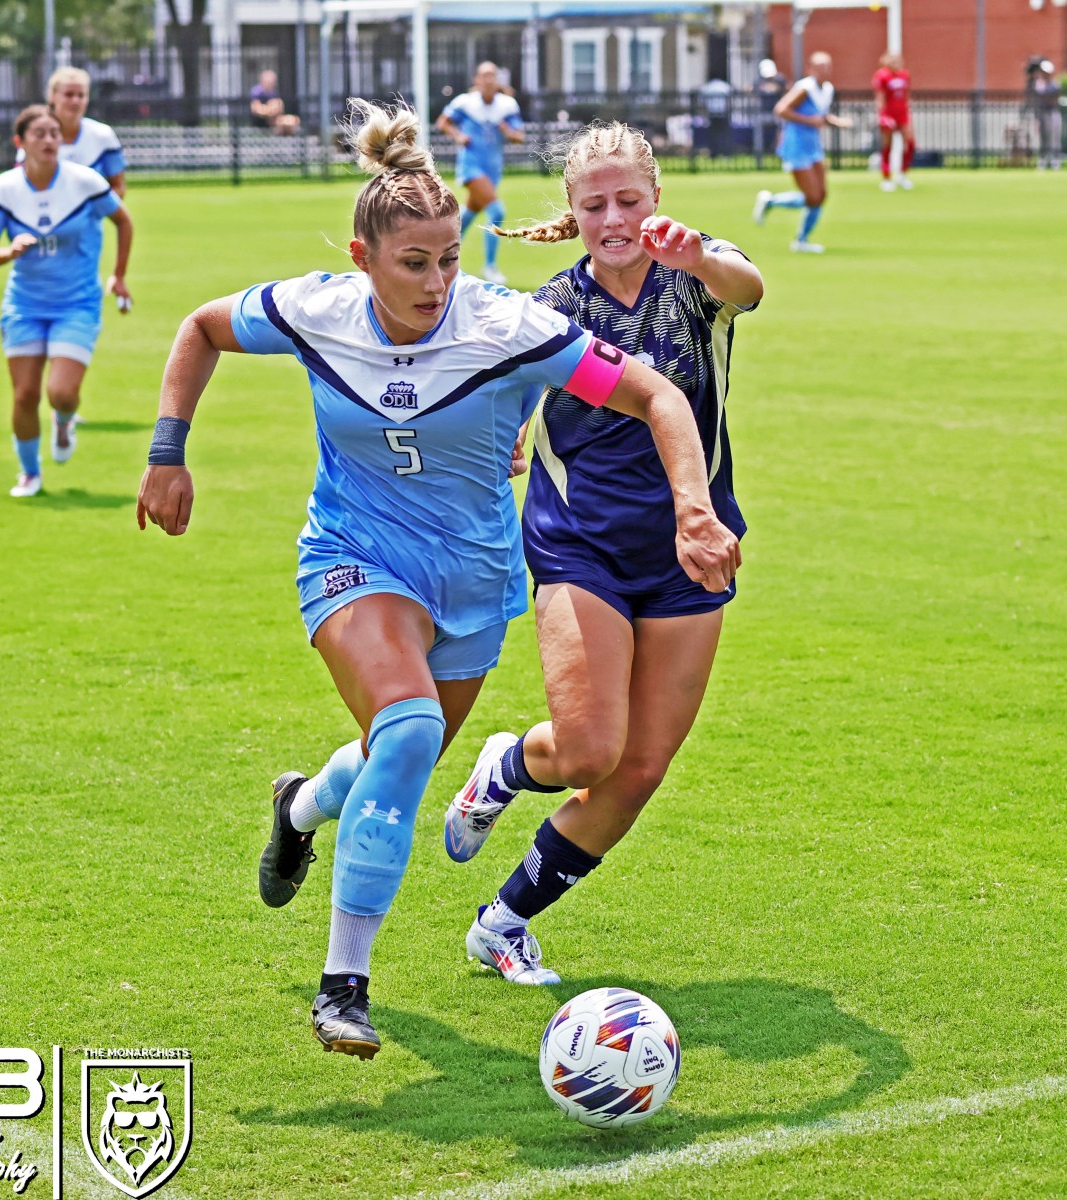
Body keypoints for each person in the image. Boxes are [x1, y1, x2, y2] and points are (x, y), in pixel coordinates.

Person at [136, 101, 740, 1060]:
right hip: (353, 556)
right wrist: (169, 451)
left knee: (396, 759)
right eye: (413, 263)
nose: (436, 281)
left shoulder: (503, 324)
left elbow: (657, 392)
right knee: (412, 730)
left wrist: (694, 509)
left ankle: (300, 809)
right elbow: (201, 329)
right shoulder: (316, 308)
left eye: (450, 258)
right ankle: (345, 985)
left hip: (471, 577)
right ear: (363, 255)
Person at [442, 121, 761, 986]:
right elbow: (504, 398)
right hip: (579, 545)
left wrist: (696, 254)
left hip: (693, 549)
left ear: (655, 198)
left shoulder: (695, 276)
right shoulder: (546, 310)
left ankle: (502, 923)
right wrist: (504, 439)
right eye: (595, 205)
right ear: (573, 212)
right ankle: (508, 766)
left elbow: (752, 285)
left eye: (630, 199)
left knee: (640, 769)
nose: (615, 217)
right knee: (588, 751)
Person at [0, 105, 133, 498]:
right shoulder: (4, 188)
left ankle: (64, 420)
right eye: (40, 134)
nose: (49, 140)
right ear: (20, 142)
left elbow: (123, 221)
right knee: (25, 395)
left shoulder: (84, 182)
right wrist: (9, 252)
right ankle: (30, 473)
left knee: (61, 393)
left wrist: (119, 274)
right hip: (24, 306)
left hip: (76, 304)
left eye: (54, 134)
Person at [752, 51, 852, 254]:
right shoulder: (804, 88)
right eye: (820, 67)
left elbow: (820, 115)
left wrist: (836, 122)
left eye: (828, 66)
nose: (825, 70)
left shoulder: (827, 89)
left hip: (813, 145)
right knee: (812, 196)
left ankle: (777, 208)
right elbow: (781, 109)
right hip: (796, 145)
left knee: (821, 195)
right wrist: (809, 121)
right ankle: (799, 238)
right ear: (811, 69)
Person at [435, 61, 525, 284]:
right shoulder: (466, 103)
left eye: (492, 75)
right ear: (477, 80)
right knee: (496, 212)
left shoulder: (507, 105)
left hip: (492, 168)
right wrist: (458, 137)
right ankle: (490, 267)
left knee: (468, 215)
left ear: (497, 80)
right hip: (471, 166)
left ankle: (443, 257)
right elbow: (443, 122)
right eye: (484, 75)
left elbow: (519, 136)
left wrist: (507, 131)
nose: (488, 79)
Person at [37, 67, 128, 197]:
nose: (75, 101)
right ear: (52, 96)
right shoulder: (34, 136)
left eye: (81, 95)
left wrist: (89, 210)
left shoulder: (103, 135)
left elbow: (118, 186)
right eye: (68, 94)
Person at [872, 52, 915, 191]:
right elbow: (880, 97)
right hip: (889, 114)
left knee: (910, 144)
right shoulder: (882, 76)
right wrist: (882, 116)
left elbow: (906, 96)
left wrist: (908, 113)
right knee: (887, 146)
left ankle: (902, 175)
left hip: (902, 114)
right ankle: (886, 178)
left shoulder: (905, 75)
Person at [1026, 58, 1062, 171]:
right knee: (1043, 138)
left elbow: (1053, 97)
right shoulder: (1038, 84)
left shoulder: (1054, 84)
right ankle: (1043, 160)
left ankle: (1055, 160)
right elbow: (1033, 95)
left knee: (1055, 137)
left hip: (1052, 112)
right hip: (1041, 113)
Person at [753, 58, 788, 164]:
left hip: (778, 112)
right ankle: (760, 155)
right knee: (759, 133)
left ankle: (780, 154)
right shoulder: (758, 81)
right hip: (763, 111)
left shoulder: (780, 80)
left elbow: (784, 92)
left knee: (782, 131)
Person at [249, 69, 301, 135]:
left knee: (292, 121)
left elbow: (279, 107)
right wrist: (269, 110)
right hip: (260, 120)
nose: (271, 84)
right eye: (268, 82)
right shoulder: (257, 92)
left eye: (272, 82)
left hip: (273, 119)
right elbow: (255, 109)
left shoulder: (273, 93)